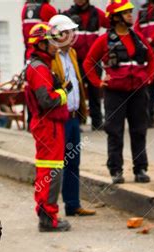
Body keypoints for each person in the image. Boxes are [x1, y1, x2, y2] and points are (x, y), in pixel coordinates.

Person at [84, 0, 154, 185]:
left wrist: (148, 78)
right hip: (114, 94)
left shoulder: (138, 38)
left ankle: (140, 169)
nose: (131, 15)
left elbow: (153, 59)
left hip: (138, 93)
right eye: (126, 13)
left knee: (139, 131)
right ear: (115, 18)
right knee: (114, 132)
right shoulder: (104, 40)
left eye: (130, 12)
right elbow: (88, 63)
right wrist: (98, 82)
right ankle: (116, 170)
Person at [49, 14, 97, 218]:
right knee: (57, 164)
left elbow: (77, 82)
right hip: (59, 117)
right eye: (69, 31)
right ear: (58, 34)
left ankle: (72, 203)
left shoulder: (73, 54)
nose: (73, 35)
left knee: (73, 162)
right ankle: (51, 207)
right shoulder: (51, 58)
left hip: (73, 117)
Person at [25, 22, 72, 231]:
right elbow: (46, 100)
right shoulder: (40, 69)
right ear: (41, 45)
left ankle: (47, 215)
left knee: (50, 171)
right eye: (52, 42)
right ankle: (48, 218)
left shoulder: (39, 66)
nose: (56, 46)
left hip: (49, 126)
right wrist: (63, 93)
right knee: (50, 172)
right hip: (48, 127)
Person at [62, 0, 110, 130]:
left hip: (94, 60)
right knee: (76, 91)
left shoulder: (97, 13)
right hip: (74, 61)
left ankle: (97, 122)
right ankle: (77, 122)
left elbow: (112, 24)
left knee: (95, 90)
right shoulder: (67, 15)